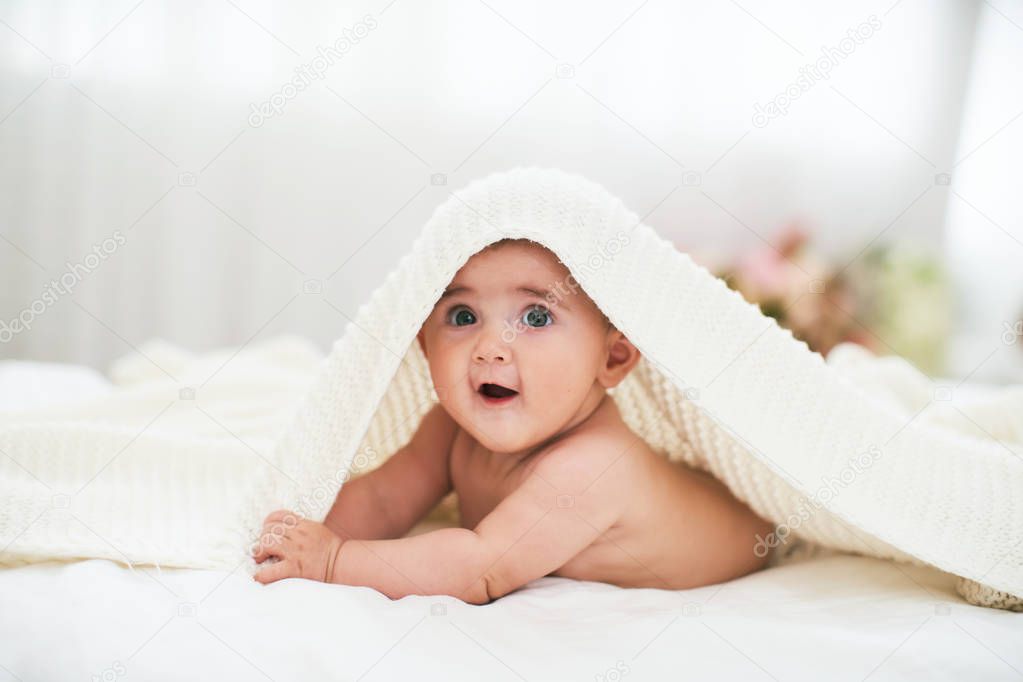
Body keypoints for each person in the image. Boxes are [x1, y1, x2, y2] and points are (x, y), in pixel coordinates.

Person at [252, 238, 772, 603]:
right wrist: (306, 532)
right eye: (462, 317)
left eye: (536, 317)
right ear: (423, 344)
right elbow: (387, 497)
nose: (489, 348)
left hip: (748, 538)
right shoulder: (448, 429)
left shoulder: (592, 467)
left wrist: (334, 562)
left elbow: (480, 568)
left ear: (612, 359)